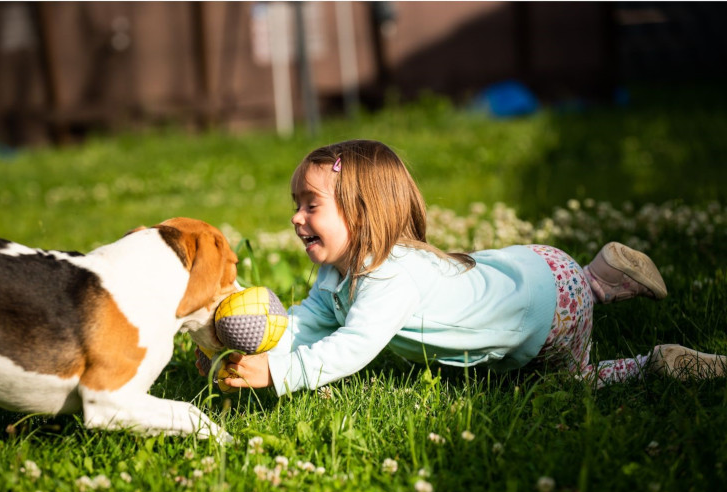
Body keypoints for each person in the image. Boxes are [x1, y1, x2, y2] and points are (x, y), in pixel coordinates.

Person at [202, 139, 726, 394]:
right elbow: (311, 321)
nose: (295, 218)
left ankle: (654, 361)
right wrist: (248, 349)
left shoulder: (387, 278)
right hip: (536, 269)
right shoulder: (338, 272)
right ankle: (599, 275)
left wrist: (280, 372)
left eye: (310, 204)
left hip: (547, 316)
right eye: (296, 203)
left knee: (575, 385)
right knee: (507, 281)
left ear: (361, 213)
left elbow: (353, 346)